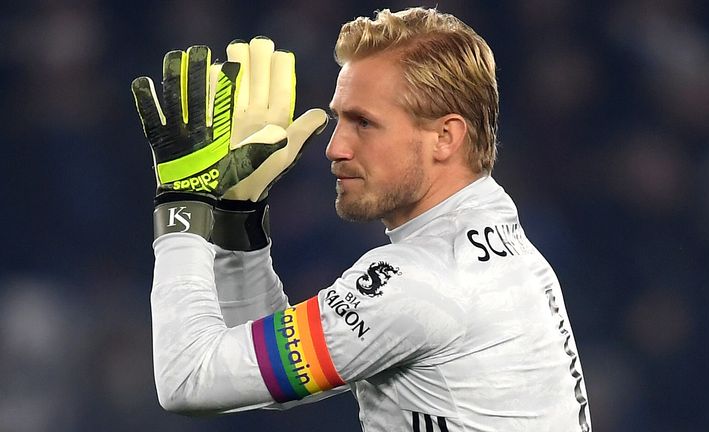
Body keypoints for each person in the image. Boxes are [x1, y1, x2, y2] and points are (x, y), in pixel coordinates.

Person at [132, 7, 592, 432]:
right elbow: (255, 372)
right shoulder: (504, 247)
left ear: (446, 137)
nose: (335, 148)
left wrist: (182, 201)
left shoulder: (420, 281)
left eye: (364, 123)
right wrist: (238, 220)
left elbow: (188, 378)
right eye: (338, 120)